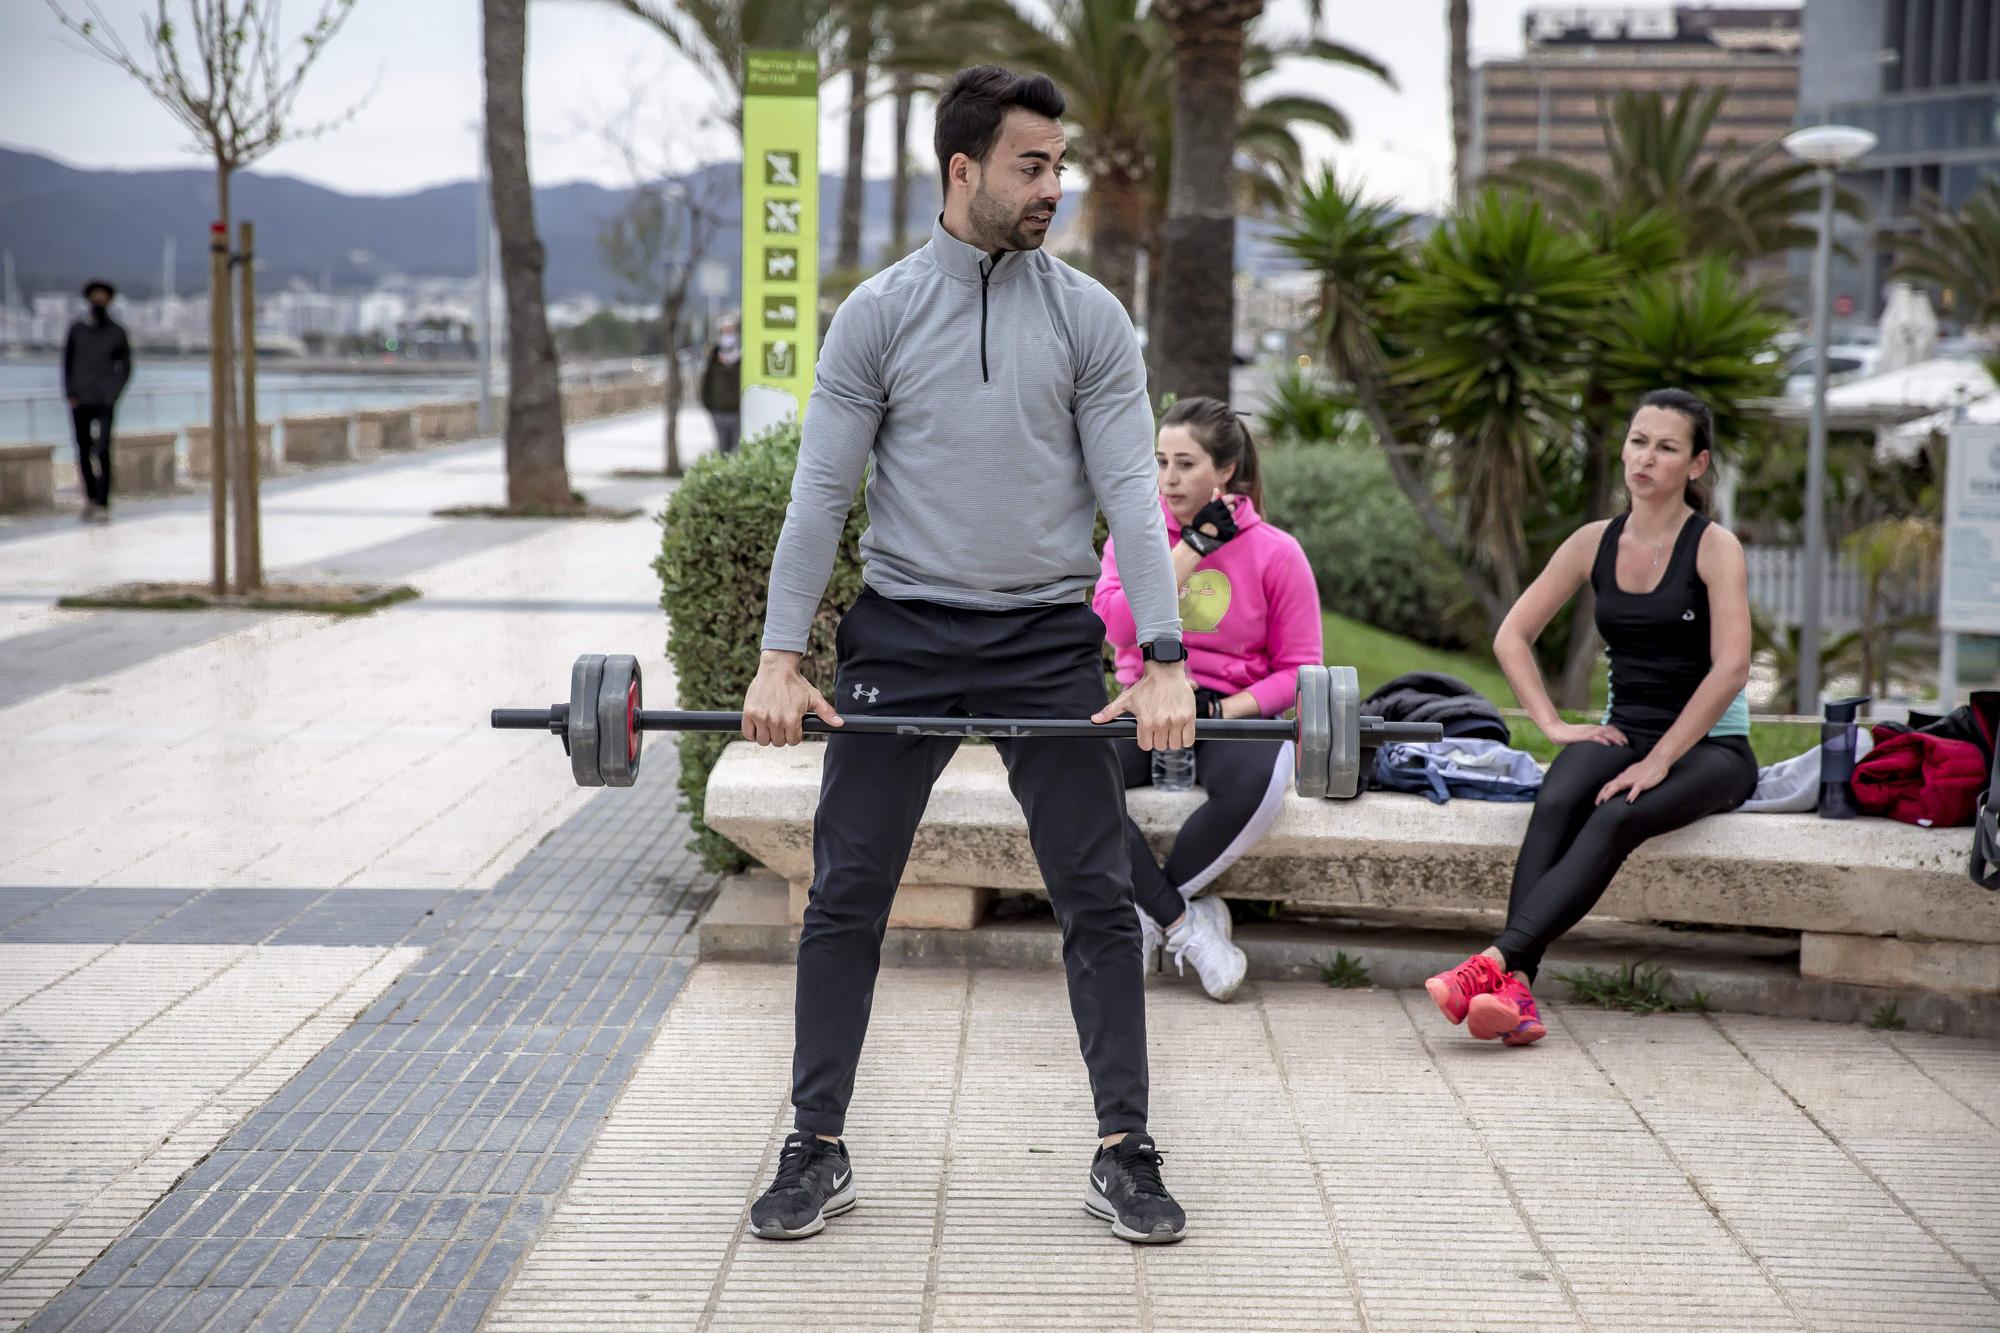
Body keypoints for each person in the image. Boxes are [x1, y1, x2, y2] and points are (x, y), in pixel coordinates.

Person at [739, 66, 1194, 1244]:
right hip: (904, 629)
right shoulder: (879, 314)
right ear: (963, 170)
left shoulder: (1088, 316)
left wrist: (1161, 655)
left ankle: (1123, 1147)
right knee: (845, 892)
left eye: (1058, 163)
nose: (1054, 185)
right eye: (1029, 165)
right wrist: (779, 658)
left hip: (1046, 636)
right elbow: (821, 494)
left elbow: (1132, 499)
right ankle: (815, 1140)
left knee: (1096, 895)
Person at [1424, 388, 1756, 1046]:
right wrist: (1552, 725)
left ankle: (1492, 965)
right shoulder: (1593, 542)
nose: (1646, 457)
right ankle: (1516, 993)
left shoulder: (1715, 548)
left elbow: (1732, 669)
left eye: (1666, 447)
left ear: (1696, 464)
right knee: (1558, 795)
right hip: (1625, 729)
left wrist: (1660, 760)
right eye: (1638, 441)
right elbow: (1511, 635)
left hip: (1712, 746)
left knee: (1617, 812)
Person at [1094, 397, 1322, 1002]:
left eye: (1185, 464)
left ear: (1224, 470)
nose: (1167, 479)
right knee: (1072, 777)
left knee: (1260, 779)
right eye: (1160, 462)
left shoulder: (1277, 552)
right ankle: (1185, 923)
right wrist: (1189, 548)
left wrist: (1221, 710)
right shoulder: (1133, 538)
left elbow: (1301, 670)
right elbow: (1118, 627)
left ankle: (1150, 915)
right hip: (1143, 703)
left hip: (1231, 711)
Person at [62, 279, 132, 523]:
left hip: (105, 401)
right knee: (83, 450)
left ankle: (103, 501)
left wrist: (113, 394)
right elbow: (67, 364)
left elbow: (125, 368)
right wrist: (70, 393)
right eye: (95, 296)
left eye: (103, 296)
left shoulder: (117, 333)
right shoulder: (76, 330)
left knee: (102, 450)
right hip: (79, 400)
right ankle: (90, 498)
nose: (98, 300)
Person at [700, 315, 742, 455]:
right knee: (722, 447)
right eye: (724, 331)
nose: (728, 334)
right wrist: (708, 404)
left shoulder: (743, 356)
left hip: (737, 411)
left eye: (730, 330)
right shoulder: (713, 356)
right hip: (718, 410)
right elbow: (706, 381)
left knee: (736, 448)